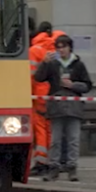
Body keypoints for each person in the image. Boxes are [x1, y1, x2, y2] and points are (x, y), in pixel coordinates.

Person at [33, 33, 92, 180]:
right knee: (55, 140)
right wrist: (44, 63)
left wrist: (73, 85)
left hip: (73, 107)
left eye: (64, 47)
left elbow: (87, 85)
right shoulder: (52, 64)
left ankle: (72, 168)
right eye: (58, 47)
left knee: (73, 139)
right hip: (56, 107)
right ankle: (54, 167)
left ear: (70, 48)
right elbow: (39, 78)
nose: (61, 50)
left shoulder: (78, 64)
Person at [27, 21, 56, 175]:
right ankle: (52, 160)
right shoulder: (54, 48)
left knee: (40, 129)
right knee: (50, 129)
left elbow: (31, 76)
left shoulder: (33, 50)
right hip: (54, 94)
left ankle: (40, 161)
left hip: (38, 95)